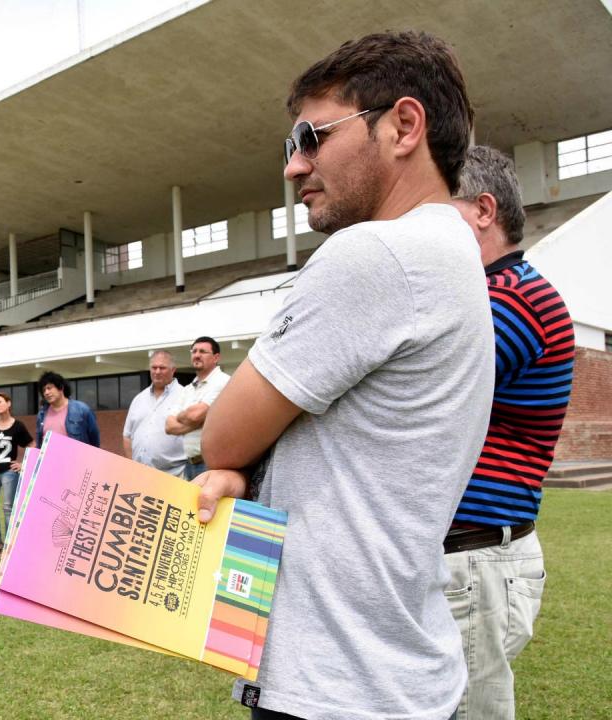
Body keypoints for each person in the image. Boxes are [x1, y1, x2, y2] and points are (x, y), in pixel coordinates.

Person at [194, 32, 493, 719]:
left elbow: (221, 439)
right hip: (395, 669)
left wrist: (236, 465)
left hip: (339, 684)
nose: (294, 166)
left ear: (404, 126)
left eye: (313, 137)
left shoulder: (377, 255)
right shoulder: (450, 250)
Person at [443, 144, 573, 719]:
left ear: (482, 210)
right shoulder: (492, 295)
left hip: (475, 558)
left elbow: (419, 389)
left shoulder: (512, 299)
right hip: (469, 558)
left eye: (439, 209)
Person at [164, 338, 231, 480]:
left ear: (216, 357)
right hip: (189, 464)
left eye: (202, 351)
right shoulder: (188, 389)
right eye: (194, 351)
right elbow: (169, 426)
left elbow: (195, 415)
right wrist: (198, 421)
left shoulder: (223, 381)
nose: (197, 355)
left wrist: (184, 416)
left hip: (212, 464)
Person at [0, 392, 32, 559]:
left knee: (9, 510)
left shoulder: (18, 426)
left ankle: (9, 548)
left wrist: (23, 464)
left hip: (9, 473)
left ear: (8, 404)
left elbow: (32, 444)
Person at [122, 350, 186, 476]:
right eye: (154, 367)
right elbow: (127, 436)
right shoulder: (139, 399)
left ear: (173, 370)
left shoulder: (185, 396)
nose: (157, 372)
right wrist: (133, 466)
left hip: (174, 476)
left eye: (162, 368)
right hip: (141, 476)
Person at [34, 371, 99, 447]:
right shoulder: (41, 414)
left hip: (75, 454)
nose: (46, 392)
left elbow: (94, 440)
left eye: (49, 388)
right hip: (49, 455)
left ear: (61, 388)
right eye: (44, 390)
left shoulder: (82, 410)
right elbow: (39, 443)